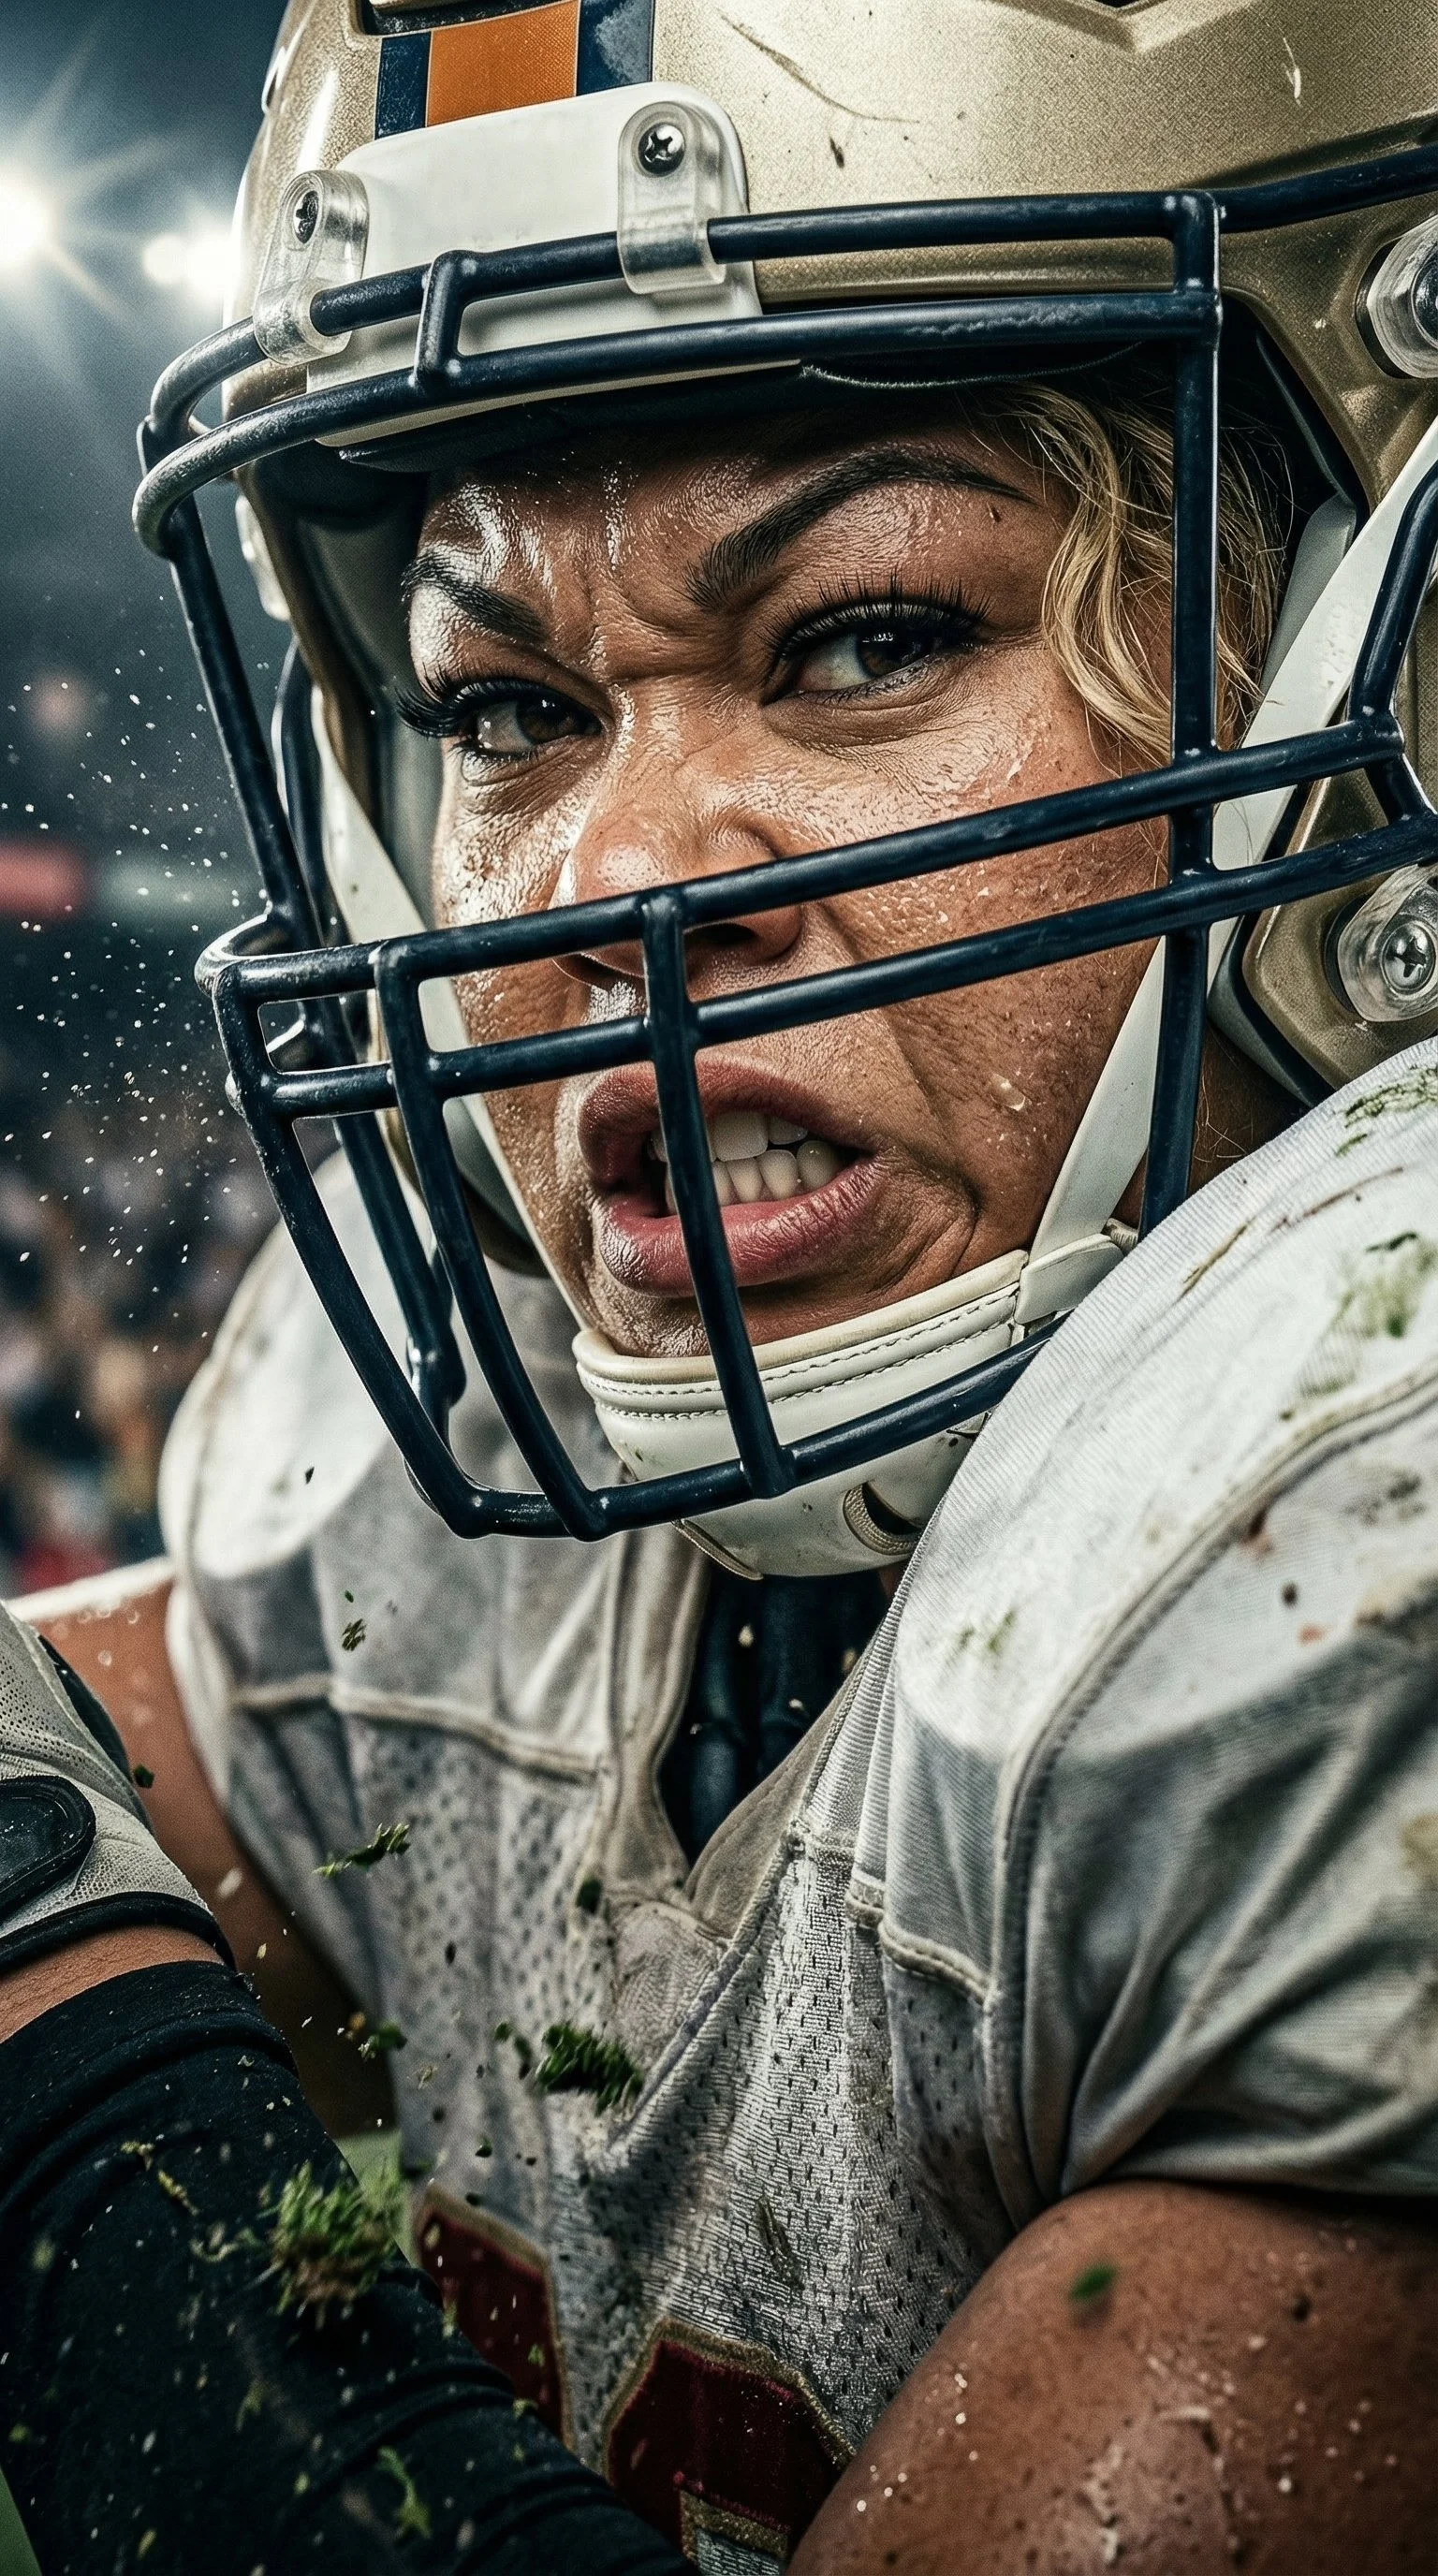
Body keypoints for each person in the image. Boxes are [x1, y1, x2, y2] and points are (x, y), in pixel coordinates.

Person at [5, 0, 1438, 2567]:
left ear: (1373, 661)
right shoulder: (487, 1434)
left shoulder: (1364, 1506)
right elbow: (102, 1752)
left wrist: (68, 2079)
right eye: (506, 703)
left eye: (870, 634)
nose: (608, 888)